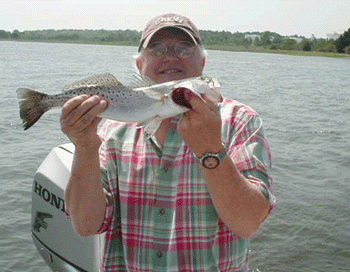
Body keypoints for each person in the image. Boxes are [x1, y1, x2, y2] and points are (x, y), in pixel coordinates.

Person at [61, 13, 275, 272]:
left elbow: (249, 223)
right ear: (139, 67)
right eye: (157, 48)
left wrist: (210, 150)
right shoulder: (111, 129)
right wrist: (84, 147)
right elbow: (85, 226)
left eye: (184, 48)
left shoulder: (240, 120)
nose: (171, 57)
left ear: (203, 62)